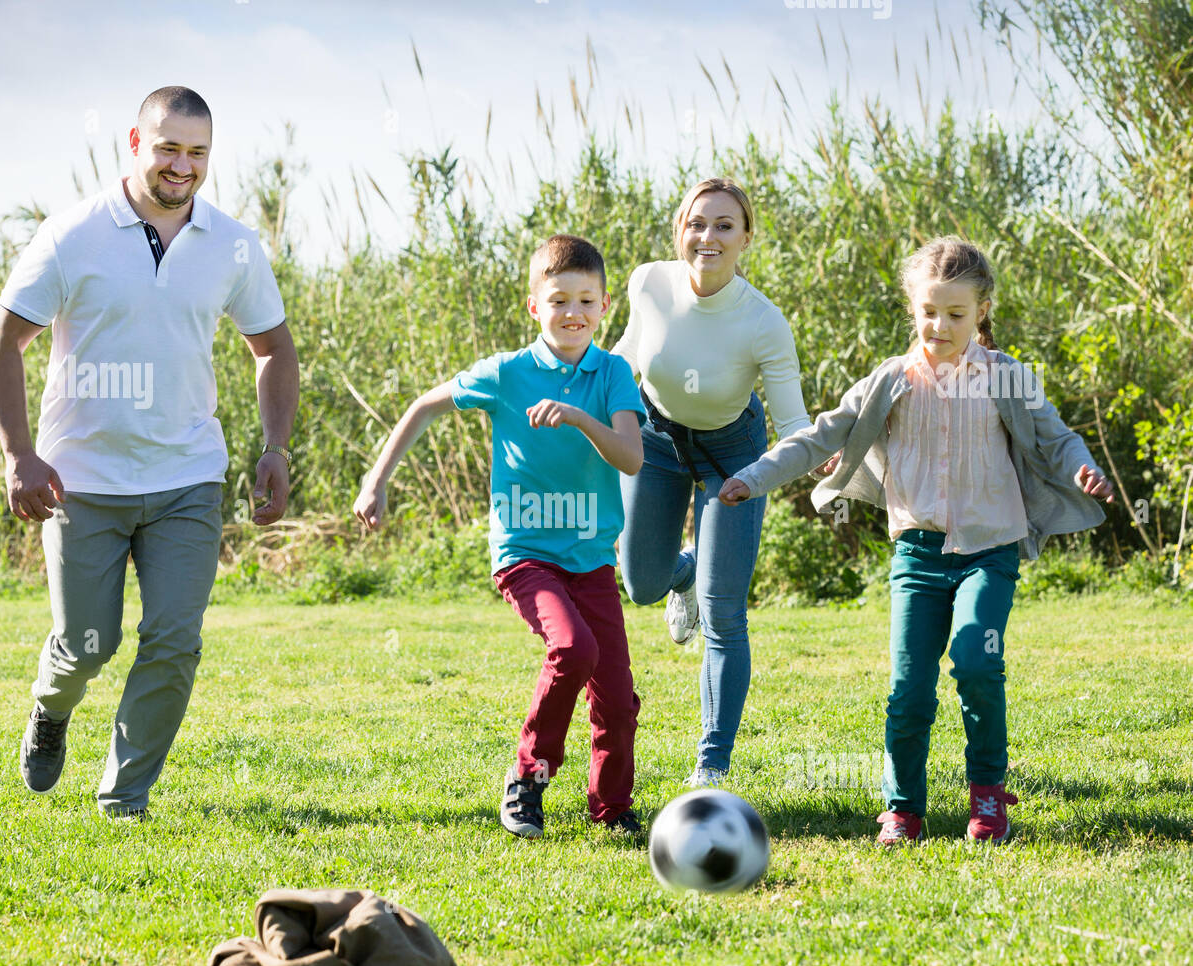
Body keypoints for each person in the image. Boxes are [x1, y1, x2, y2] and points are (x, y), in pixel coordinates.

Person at [719, 236, 1114, 844]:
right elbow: (822, 436)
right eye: (930, 312)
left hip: (990, 550)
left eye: (956, 313)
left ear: (982, 311)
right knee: (908, 686)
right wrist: (752, 475)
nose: (941, 325)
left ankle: (988, 796)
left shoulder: (1007, 378)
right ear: (914, 309)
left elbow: (1058, 440)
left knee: (978, 662)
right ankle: (902, 808)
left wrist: (1082, 469)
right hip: (918, 556)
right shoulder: (891, 381)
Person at [0, 86, 298, 818]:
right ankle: (50, 709)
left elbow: (273, 347)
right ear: (134, 141)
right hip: (80, 482)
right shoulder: (72, 235)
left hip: (188, 477)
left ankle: (124, 796)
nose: (182, 166)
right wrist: (18, 455)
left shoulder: (233, 244)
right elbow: (4, 343)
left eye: (198, 153)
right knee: (88, 644)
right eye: (168, 149)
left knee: (175, 640)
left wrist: (275, 445)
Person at [353, 235, 646, 838]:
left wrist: (577, 416)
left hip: (592, 560)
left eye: (586, 301)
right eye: (559, 299)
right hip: (526, 555)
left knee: (616, 697)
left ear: (605, 306)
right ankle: (527, 779)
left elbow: (631, 457)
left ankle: (612, 807)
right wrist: (376, 481)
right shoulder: (507, 372)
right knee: (573, 648)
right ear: (534, 306)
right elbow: (424, 406)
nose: (573, 312)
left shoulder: (614, 373)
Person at [613, 177, 812, 788]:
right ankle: (686, 576)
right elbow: (625, 356)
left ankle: (711, 762)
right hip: (654, 438)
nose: (709, 236)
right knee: (639, 584)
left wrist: (818, 455)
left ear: (746, 237)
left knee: (725, 613)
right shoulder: (649, 283)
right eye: (698, 223)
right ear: (679, 229)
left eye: (725, 225)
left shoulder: (763, 322)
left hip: (734, 453)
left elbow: (794, 422)